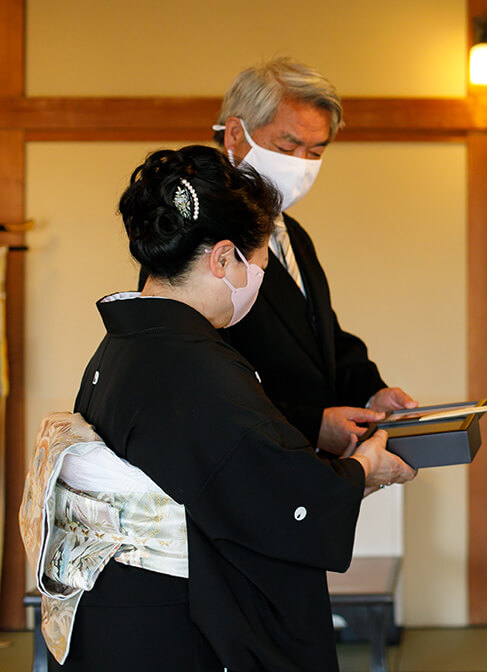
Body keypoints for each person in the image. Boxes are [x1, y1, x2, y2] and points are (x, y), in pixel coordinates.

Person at [21, 146, 416, 671]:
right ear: (222, 258)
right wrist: (364, 470)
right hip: (171, 624)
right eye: (257, 264)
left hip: (117, 613)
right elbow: (277, 499)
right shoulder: (191, 365)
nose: (257, 276)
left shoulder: (127, 343)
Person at [213, 57, 417, 455]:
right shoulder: (203, 234)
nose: (301, 166)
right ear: (235, 135)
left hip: (305, 469)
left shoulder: (292, 234)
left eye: (315, 151)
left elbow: (324, 337)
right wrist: (310, 424)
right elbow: (204, 374)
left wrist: (372, 395)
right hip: (248, 459)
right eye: (287, 147)